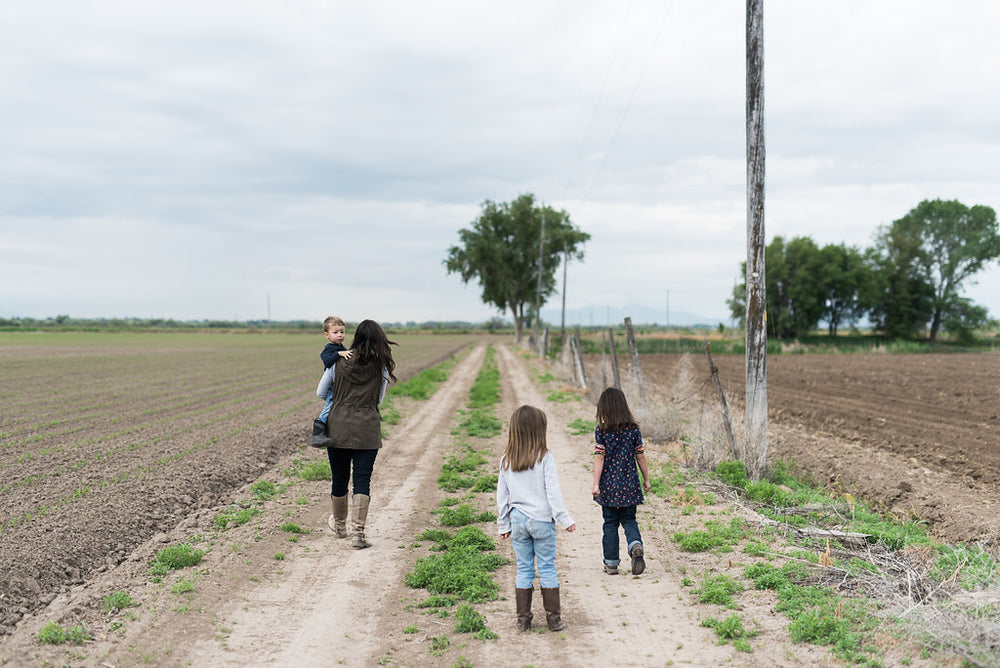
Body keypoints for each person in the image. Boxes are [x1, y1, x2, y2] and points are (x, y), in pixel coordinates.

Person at [315, 319, 396, 548]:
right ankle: (358, 534)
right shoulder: (380, 367)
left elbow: (321, 392)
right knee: (362, 480)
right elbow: (378, 399)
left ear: (356, 337)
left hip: (338, 425)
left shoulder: (337, 362)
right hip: (367, 429)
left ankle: (340, 527)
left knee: (339, 478)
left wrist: (341, 399)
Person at [496, 405, 576, 632]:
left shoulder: (506, 460)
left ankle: (523, 620)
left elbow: (502, 496)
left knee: (523, 569)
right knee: (547, 567)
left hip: (518, 521)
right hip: (541, 520)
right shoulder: (545, 458)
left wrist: (503, 523)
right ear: (539, 430)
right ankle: (554, 620)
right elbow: (553, 493)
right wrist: (564, 518)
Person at [591, 387, 650, 576]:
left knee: (610, 523)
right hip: (630, 485)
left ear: (604, 408)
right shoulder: (633, 430)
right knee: (629, 519)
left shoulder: (602, 430)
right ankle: (635, 545)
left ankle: (611, 564)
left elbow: (599, 457)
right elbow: (640, 455)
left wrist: (596, 484)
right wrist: (646, 479)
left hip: (609, 486)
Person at [311, 316, 353, 448]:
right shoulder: (329, 348)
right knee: (330, 405)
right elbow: (327, 361)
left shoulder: (342, 347)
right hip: (332, 385)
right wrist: (339, 354)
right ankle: (317, 434)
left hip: (340, 383)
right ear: (326, 335)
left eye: (342, 332)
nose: (340, 335)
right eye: (335, 332)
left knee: (334, 405)